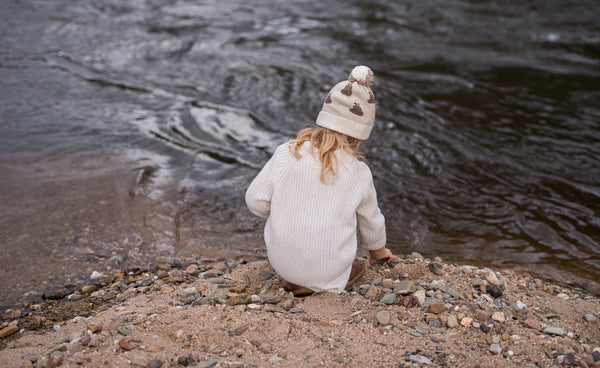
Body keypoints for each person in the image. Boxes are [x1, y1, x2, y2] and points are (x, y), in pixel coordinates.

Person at [245, 65, 393, 296]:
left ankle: (295, 278)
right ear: (361, 133)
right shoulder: (358, 172)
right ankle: (322, 281)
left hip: (281, 262)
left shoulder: (288, 153)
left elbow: (255, 201)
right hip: (329, 271)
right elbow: (371, 223)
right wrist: (379, 254)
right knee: (354, 260)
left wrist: (283, 211)